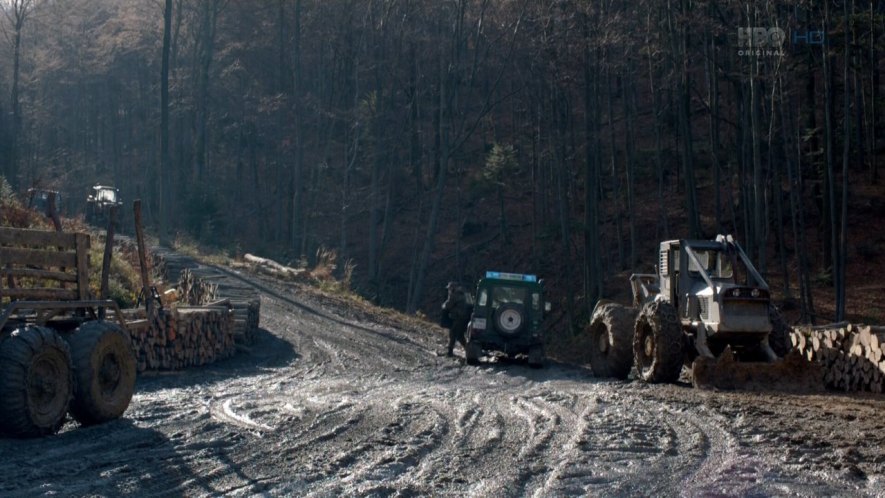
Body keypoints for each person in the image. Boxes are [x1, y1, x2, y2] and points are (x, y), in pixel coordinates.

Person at [441, 281, 472, 357]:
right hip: (465, 318)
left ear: (453, 288)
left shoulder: (454, 295)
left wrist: (443, 305)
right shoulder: (465, 294)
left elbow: (447, 305)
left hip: (457, 318)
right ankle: (468, 350)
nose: (449, 290)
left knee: (453, 334)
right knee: (459, 335)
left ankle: (450, 352)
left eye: (450, 288)